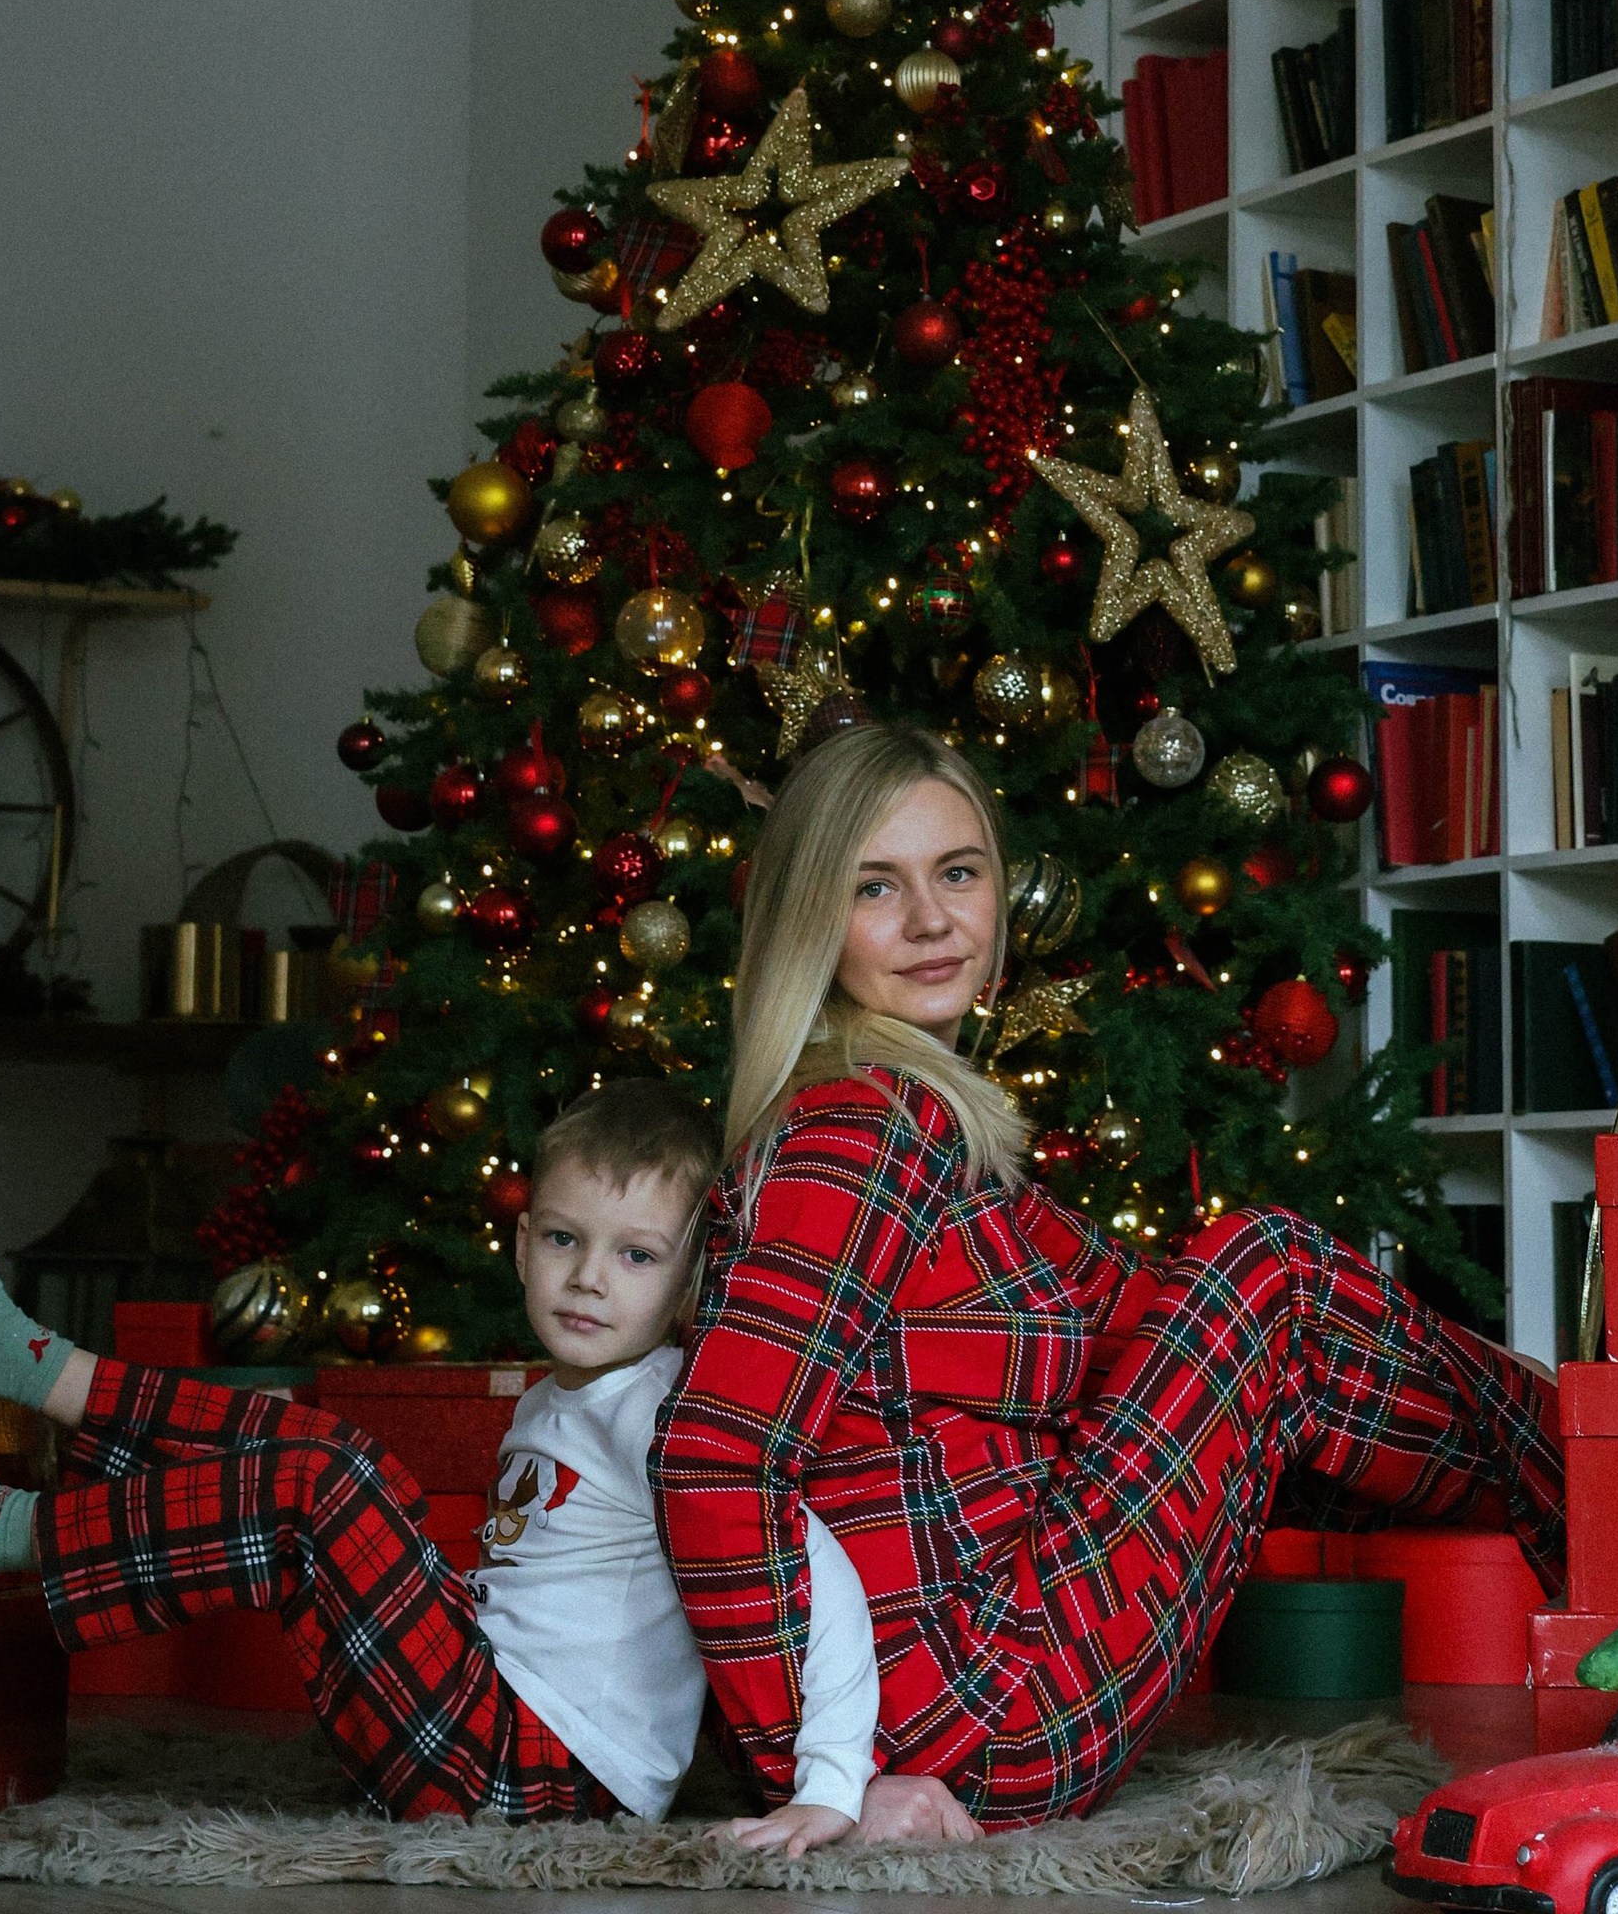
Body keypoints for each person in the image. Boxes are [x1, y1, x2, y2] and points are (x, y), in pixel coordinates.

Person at [654, 719, 1566, 1833]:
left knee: (1261, 1299)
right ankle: (1607, 1490)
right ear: (810, 920)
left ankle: (1590, 1475)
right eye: (874, 888)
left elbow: (1140, 1315)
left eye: (957, 873)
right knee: (1265, 1268)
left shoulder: (934, 1131)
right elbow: (715, 1455)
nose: (934, 921)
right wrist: (824, 1782)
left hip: (988, 1668)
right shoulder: (859, 1135)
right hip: (973, 1713)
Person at [0, 1080, 880, 1846]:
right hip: (484, 1724)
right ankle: (26, 1364)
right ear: (521, 1242)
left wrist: (833, 1781)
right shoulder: (559, 1398)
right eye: (566, 1239)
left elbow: (815, 1571)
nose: (587, 1276)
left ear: (686, 1286)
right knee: (347, 1467)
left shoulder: (667, 1411)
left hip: (546, 1779)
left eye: (635, 1256)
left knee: (329, 1481)